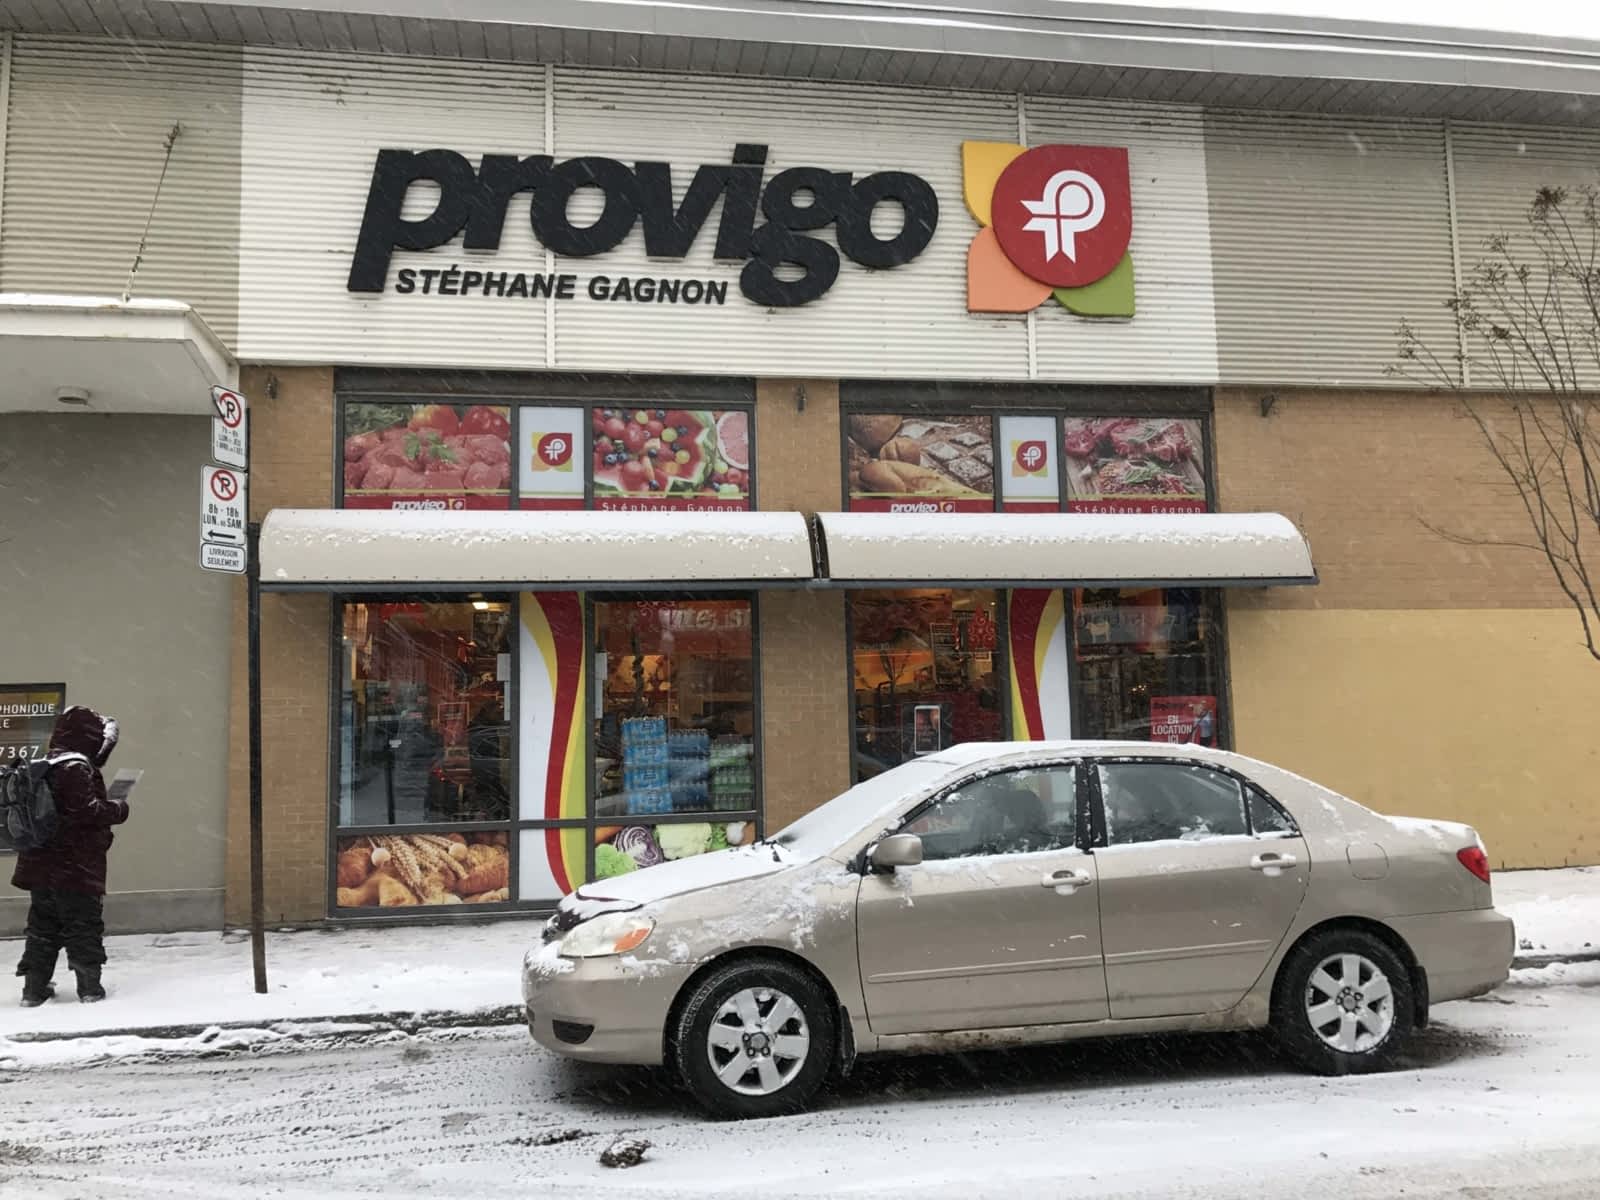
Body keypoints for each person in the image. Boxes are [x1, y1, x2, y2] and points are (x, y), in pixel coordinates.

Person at [12, 705, 128, 1006]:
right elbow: (86, 811)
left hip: (40, 866)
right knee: (83, 926)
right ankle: (89, 989)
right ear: (87, 737)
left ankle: (33, 991)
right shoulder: (75, 767)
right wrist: (118, 808)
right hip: (75, 867)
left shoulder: (43, 763)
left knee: (42, 928)